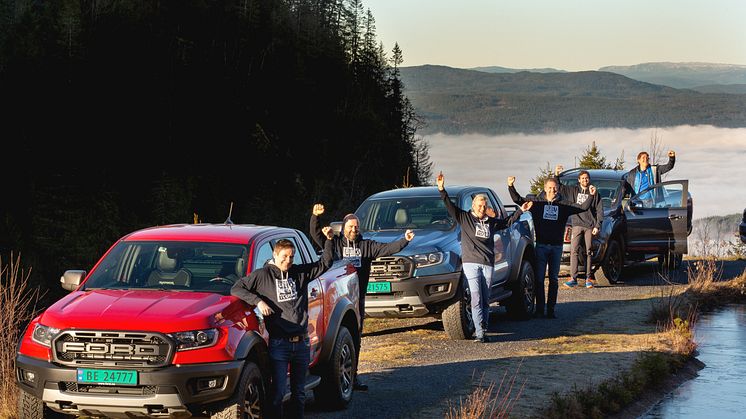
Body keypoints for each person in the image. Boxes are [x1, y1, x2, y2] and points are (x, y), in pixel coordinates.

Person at [309, 203, 415, 390]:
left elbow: (388, 248)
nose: (353, 230)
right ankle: (335, 376)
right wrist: (315, 217)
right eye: (350, 227)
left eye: (356, 227)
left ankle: (353, 375)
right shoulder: (335, 243)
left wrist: (404, 240)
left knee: (356, 338)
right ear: (343, 228)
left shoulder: (366, 246)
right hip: (337, 299)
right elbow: (317, 236)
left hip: (357, 298)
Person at [231, 236, 334, 419]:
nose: (288, 261)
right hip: (279, 345)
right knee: (277, 394)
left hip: (302, 344)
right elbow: (237, 288)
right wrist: (258, 302)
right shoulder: (262, 275)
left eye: (291, 257)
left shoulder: (299, 273)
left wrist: (328, 240)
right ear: (275, 254)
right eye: (284, 257)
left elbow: (325, 263)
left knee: (299, 393)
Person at [437, 171, 530, 342]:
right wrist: (442, 189)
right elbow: (449, 205)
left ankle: (483, 328)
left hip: (487, 263)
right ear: (473, 206)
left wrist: (520, 211)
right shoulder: (464, 218)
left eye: (483, 206)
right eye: (478, 206)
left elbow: (507, 223)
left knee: (486, 297)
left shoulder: (490, 221)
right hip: (471, 263)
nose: (481, 209)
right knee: (476, 297)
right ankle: (479, 332)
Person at [508, 176, 596, 319]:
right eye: (549, 187)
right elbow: (518, 200)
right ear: (544, 188)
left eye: (554, 188)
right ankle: (540, 309)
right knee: (539, 279)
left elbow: (583, 207)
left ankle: (551, 309)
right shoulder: (537, 203)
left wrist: (591, 195)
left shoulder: (564, 205)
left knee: (554, 279)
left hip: (556, 248)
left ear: (558, 188)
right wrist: (511, 186)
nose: (552, 190)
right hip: (541, 246)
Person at [563, 170, 604, 289]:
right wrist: (556, 175)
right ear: (579, 180)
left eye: (587, 178)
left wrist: (597, 225)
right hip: (576, 224)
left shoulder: (595, 193)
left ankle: (588, 278)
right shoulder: (574, 191)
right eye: (583, 178)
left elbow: (600, 211)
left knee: (589, 251)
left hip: (589, 226)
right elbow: (561, 187)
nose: (585, 180)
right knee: (574, 250)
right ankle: (573, 278)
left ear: (589, 179)